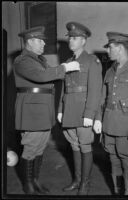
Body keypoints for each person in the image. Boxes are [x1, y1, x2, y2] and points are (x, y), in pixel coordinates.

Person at [13, 26, 80, 195]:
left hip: (42, 110)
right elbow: (42, 77)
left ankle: (35, 180)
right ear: (29, 41)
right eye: (40, 40)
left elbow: (48, 77)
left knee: (40, 148)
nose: (44, 43)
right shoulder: (22, 60)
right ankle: (28, 185)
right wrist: (65, 67)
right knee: (30, 148)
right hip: (32, 111)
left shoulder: (39, 60)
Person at [93, 32, 128, 195]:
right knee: (113, 161)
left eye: (110, 48)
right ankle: (117, 193)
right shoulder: (109, 72)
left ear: (119, 48)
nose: (108, 51)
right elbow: (102, 98)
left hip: (127, 126)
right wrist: (98, 119)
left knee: (127, 163)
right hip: (109, 124)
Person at [57, 22, 102, 195]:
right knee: (74, 146)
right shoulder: (68, 62)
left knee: (85, 146)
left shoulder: (92, 61)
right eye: (70, 38)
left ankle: (85, 183)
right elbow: (64, 88)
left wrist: (90, 114)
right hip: (69, 111)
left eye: (75, 38)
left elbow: (95, 90)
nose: (71, 41)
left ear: (83, 41)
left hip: (84, 112)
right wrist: (61, 109)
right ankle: (76, 180)